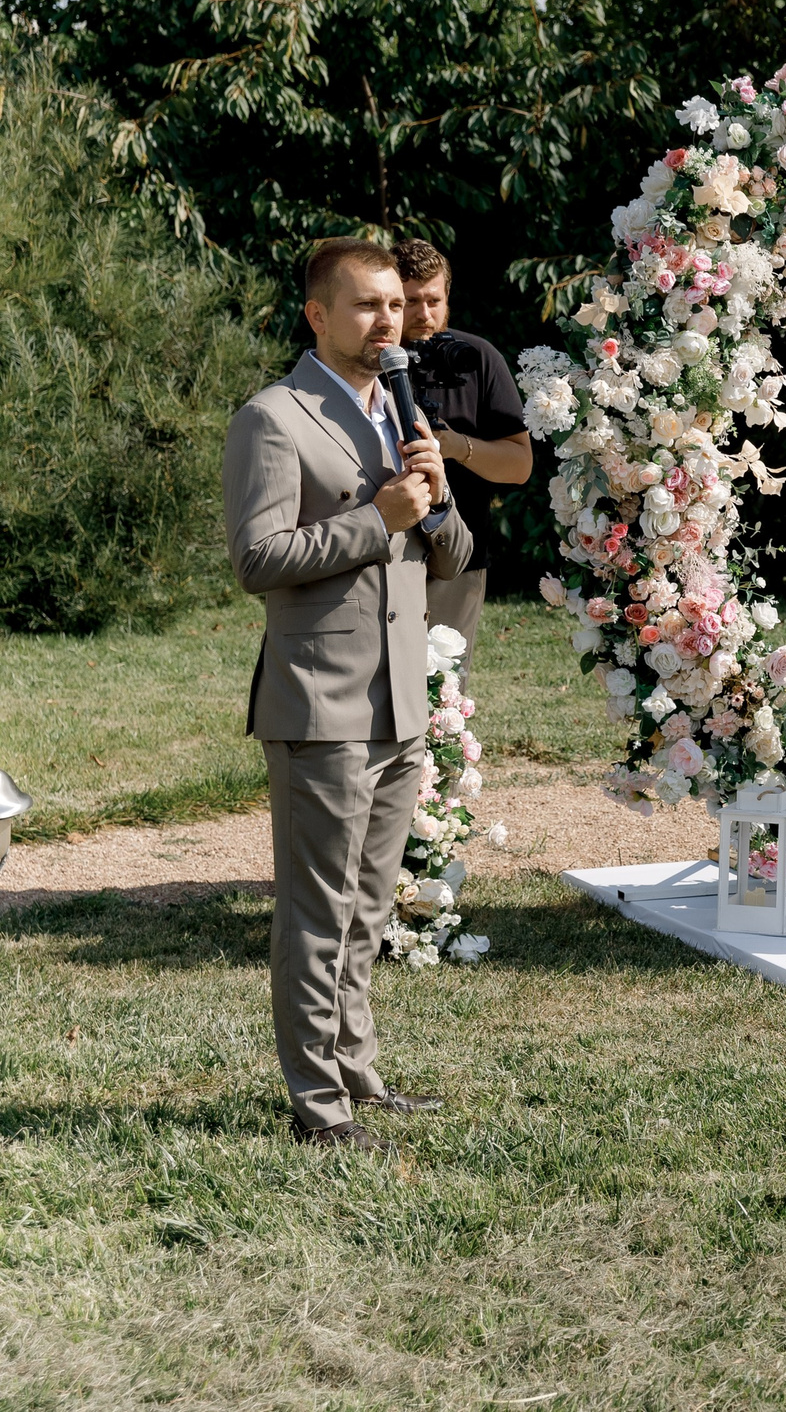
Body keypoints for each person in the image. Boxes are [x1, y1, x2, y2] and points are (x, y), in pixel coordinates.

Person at [223, 237, 472, 1149]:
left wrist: (437, 500)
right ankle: (316, 1107)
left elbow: (458, 556)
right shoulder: (273, 418)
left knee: (368, 911)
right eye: (365, 306)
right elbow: (258, 560)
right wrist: (379, 519)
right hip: (321, 701)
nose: (387, 321)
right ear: (316, 316)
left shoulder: (399, 416)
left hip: (401, 699)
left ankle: (358, 1074)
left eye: (395, 306)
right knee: (316, 913)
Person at [393, 239, 529, 683]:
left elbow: (519, 464)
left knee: (444, 690)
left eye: (434, 300)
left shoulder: (477, 359)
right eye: (409, 301)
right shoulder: (366, 362)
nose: (424, 314)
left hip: (461, 553)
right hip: (382, 555)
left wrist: (456, 448)